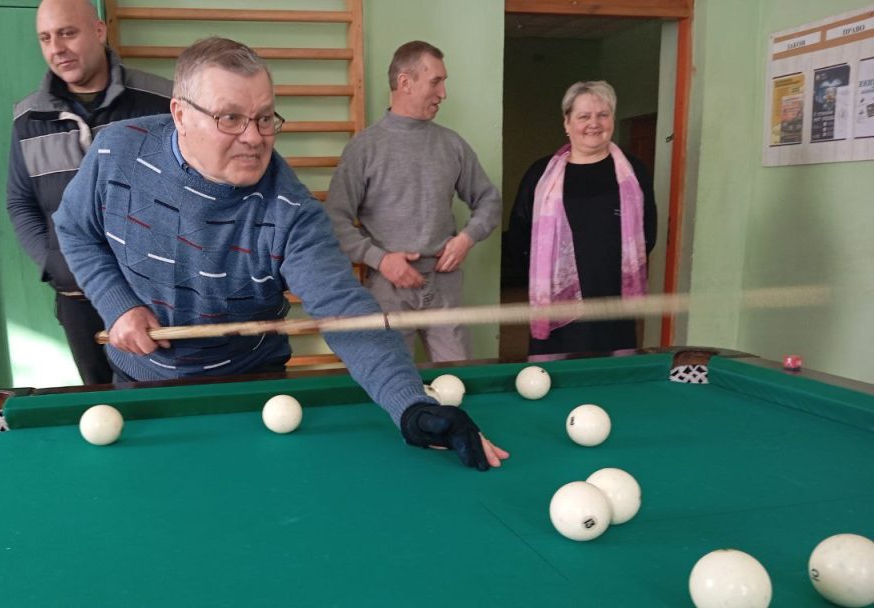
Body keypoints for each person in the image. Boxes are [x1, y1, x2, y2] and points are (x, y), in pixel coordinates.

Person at [52, 37, 507, 470]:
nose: (254, 137)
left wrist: (412, 407)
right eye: (230, 118)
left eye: (265, 118)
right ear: (180, 114)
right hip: (141, 386)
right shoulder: (116, 151)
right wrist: (118, 304)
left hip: (253, 391)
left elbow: (347, 313)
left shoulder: (290, 211)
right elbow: (75, 229)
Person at [7, 0, 172, 385]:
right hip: (78, 303)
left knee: (162, 402)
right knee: (102, 404)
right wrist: (55, 262)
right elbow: (20, 203)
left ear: (99, 31)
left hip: (155, 299)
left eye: (68, 33)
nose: (57, 48)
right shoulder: (28, 119)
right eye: (45, 38)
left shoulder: (163, 103)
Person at [325, 41, 501, 363]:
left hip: (445, 284)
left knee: (459, 379)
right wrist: (380, 260)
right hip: (388, 288)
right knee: (393, 381)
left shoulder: (452, 145)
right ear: (405, 82)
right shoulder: (364, 148)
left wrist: (466, 238)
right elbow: (334, 220)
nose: (443, 93)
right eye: (436, 82)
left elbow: (489, 200)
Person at [508, 81, 657, 355]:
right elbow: (519, 234)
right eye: (584, 116)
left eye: (603, 115)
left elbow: (648, 232)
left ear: (612, 119)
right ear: (567, 122)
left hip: (613, 301)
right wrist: (546, 277)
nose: (594, 123)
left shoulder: (633, 171)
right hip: (555, 303)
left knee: (612, 374)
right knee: (552, 375)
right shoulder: (540, 173)